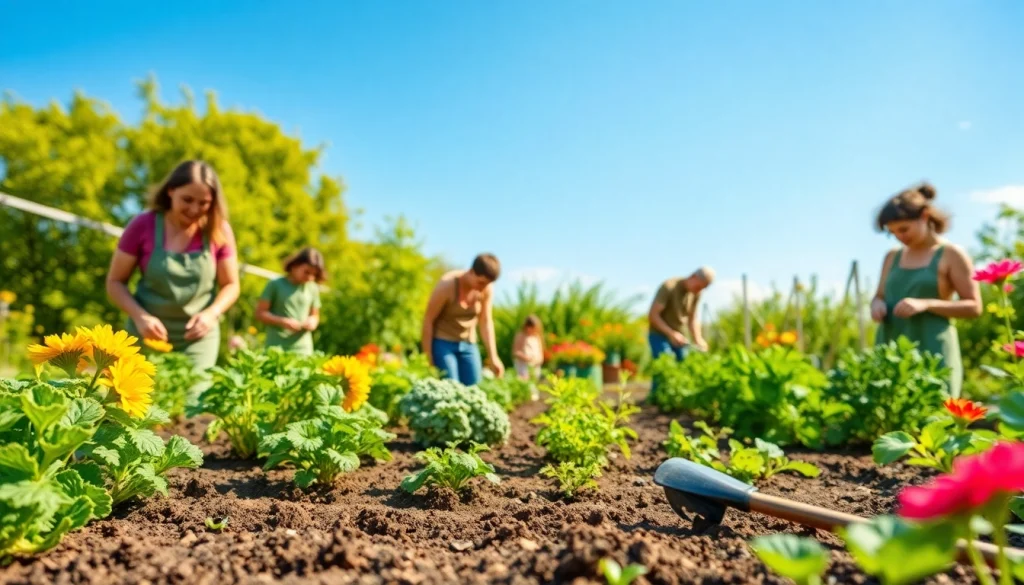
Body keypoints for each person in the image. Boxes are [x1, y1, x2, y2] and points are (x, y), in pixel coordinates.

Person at [107, 160, 240, 375]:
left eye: (204, 203)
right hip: (146, 333)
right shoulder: (143, 224)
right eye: (187, 200)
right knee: (138, 403)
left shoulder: (219, 230)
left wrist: (212, 313)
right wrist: (141, 317)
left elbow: (231, 285)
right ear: (170, 191)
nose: (195, 209)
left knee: (193, 403)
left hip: (198, 339)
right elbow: (115, 282)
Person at [871, 182, 981, 398]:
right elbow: (879, 296)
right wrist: (877, 304)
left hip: (933, 348)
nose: (899, 237)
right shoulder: (892, 257)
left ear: (925, 215)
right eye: (892, 233)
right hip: (891, 345)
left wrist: (926, 304)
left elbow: (974, 306)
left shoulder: (951, 254)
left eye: (904, 229)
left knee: (935, 417)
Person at [422, 253, 504, 385]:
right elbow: (428, 321)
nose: (482, 288)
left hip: (468, 343)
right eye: (481, 282)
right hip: (443, 343)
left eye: (487, 284)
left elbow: (485, 321)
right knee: (450, 387)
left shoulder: (486, 288)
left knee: (474, 388)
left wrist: (493, 356)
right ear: (471, 272)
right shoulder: (446, 286)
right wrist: (428, 357)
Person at [255, 247, 325, 355]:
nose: (310, 277)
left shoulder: (312, 288)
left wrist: (312, 322)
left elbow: (315, 316)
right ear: (294, 265)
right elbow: (260, 313)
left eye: (314, 275)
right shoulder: (275, 284)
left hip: (303, 349)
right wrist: (282, 321)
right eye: (306, 272)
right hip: (276, 347)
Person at [648, 267, 714, 361]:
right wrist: (671, 334)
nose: (699, 291)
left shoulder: (696, 293)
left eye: (702, 289)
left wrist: (698, 339)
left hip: (680, 337)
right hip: (660, 335)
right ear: (693, 277)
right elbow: (653, 315)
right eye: (698, 287)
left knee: (683, 366)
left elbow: (693, 318)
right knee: (666, 365)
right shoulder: (669, 286)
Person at [512, 314, 544, 381]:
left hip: (535, 366)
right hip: (523, 366)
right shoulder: (521, 336)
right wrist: (526, 358)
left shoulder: (536, 337)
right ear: (526, 326)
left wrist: (539, 360)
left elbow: (540, 352)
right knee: (525, 384)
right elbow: (515, 352)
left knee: (534, 384)